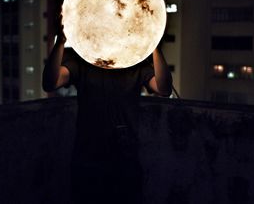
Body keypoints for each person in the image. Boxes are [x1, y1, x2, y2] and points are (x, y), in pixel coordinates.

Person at [42, 21, 172, 204]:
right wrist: (60, 42)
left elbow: (164, 89)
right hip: (89, 157)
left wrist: (154, 46)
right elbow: (50, 82)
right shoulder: (82, 63)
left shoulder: (135, 65)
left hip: (125, 158)